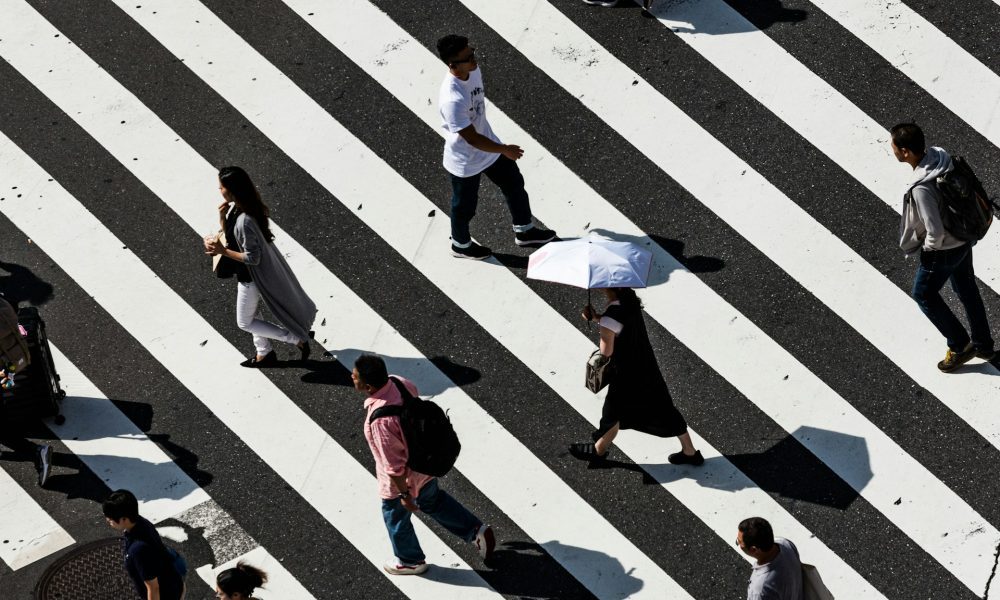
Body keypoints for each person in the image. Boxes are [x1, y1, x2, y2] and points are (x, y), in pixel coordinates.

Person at [352, 354, 494, 575]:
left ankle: (410, 560)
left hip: (404, 479)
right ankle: (475, 530)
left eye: (355, 375)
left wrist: (404, 496)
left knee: (395, 517)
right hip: (424, 463)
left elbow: (393, 465)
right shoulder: (398, 382)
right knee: (433, 501)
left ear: (368, 385)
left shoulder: (381, 420)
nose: (352, 376)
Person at [436, 34, 557, 260]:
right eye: (468, 57)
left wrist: (499, 148)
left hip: (488, 145)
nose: (474, 59)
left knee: (514, 184)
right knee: (464, 207)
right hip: (466, 159)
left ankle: (524, 230)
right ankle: (460, 245)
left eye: (472, 52)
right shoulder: (452, 99)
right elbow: (471, 139)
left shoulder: (473, 71)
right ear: (452, 64)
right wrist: (504, 149)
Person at [893, 123, 995, 371]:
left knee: (923, 294)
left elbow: (934, 231)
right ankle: (983, 343)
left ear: (906, 152)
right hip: (964, 237)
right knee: (967, 289)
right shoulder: (941, 159)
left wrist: (928, 251)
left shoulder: (921, 188)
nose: (893, 150)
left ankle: (960, 345)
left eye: (894, 146)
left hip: (945, 250)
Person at [569, 288, 702, 465]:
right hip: (645, 365)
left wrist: (602, 327)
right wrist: (598, 319)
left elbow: (606, 352)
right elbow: (619, 325)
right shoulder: (630, 303)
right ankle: (690, 451)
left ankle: (598, 451)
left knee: (612, 414)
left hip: (625, 375)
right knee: (664, 408)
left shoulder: (611, 317)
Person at [204, 167, 316, 368]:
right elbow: (232, 237)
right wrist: (222, 220)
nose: (219, 190)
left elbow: (252, 258)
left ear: (232, 189)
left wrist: (222, 251)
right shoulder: (239, 207)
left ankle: (296, 339)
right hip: (247, 275)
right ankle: (264, 352)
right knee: (252, 314)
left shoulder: (244, 219)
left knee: (244, 322)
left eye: (221, 187)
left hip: (251, 278)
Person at [103, 489, 185, 600]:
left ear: (124, 519)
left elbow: (153, 588)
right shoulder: (141, 522)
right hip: (174, 585)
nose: (108, 521)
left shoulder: (138, 550)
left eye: (111, 518)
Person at [737, 517, 803, 600]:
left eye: (739, 542)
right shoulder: (786, 544)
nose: (738, 544)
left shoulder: (760, 590)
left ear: (753, 549)